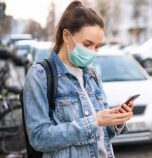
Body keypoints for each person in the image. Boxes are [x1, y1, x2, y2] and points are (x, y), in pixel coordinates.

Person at [23, 1, 133, 157]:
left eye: (97, 46)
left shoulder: (93, 75)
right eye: (87, 44)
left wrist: (116, 120)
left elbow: (103, 135)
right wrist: (93, 122)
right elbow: (39, 138)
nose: (93, 52)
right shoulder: (40, 75)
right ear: (67, 36)